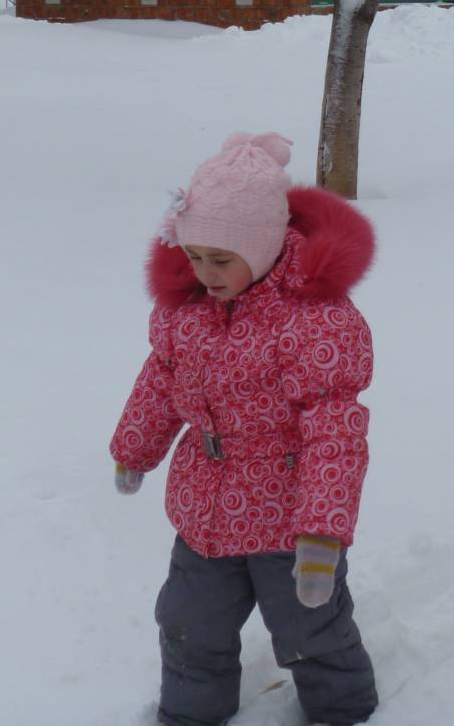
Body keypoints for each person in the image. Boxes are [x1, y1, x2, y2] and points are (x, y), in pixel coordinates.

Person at [110, 132, 379, 726]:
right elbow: (162, 378)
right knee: (188, 626)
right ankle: (189, 716)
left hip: (287, 520)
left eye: (221, 259)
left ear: (261, 248)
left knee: (312, 630)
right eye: (195, 255)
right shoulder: (187, 313)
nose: (204, 272)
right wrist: (136, 447)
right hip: (203, 513)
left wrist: (322, 532)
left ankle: (344, 713)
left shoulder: (314, 322)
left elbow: (335, 430)